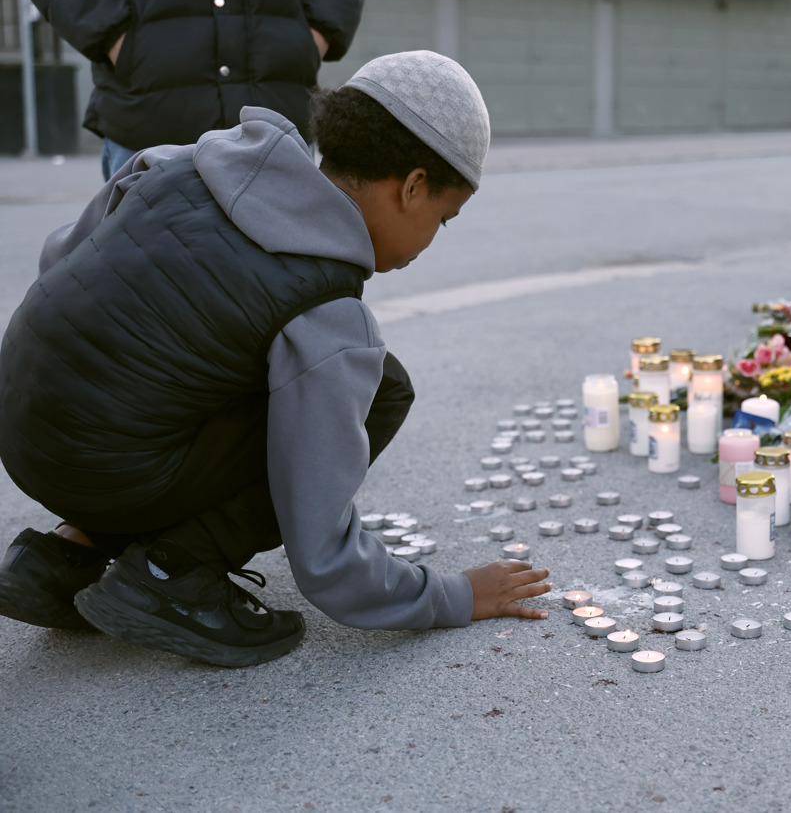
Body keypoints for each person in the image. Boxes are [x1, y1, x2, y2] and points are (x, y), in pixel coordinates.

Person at [0, 51, 551, 668]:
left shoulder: (184, 163)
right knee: (383, 388)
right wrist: (453, 596)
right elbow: (325, 558)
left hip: (22, 422)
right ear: (413, 185)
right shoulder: (326, 314)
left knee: (178, 366)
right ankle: (170, 573)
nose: (432, 240)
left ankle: (61, 556)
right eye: (443, 220)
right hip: (105, 467)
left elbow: (66, 268)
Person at [9, 0, 366, 180]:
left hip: (277, 119)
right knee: (145, 276)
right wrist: (118, 39)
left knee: (289, 275)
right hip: (151, 121)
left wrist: (313, 35)